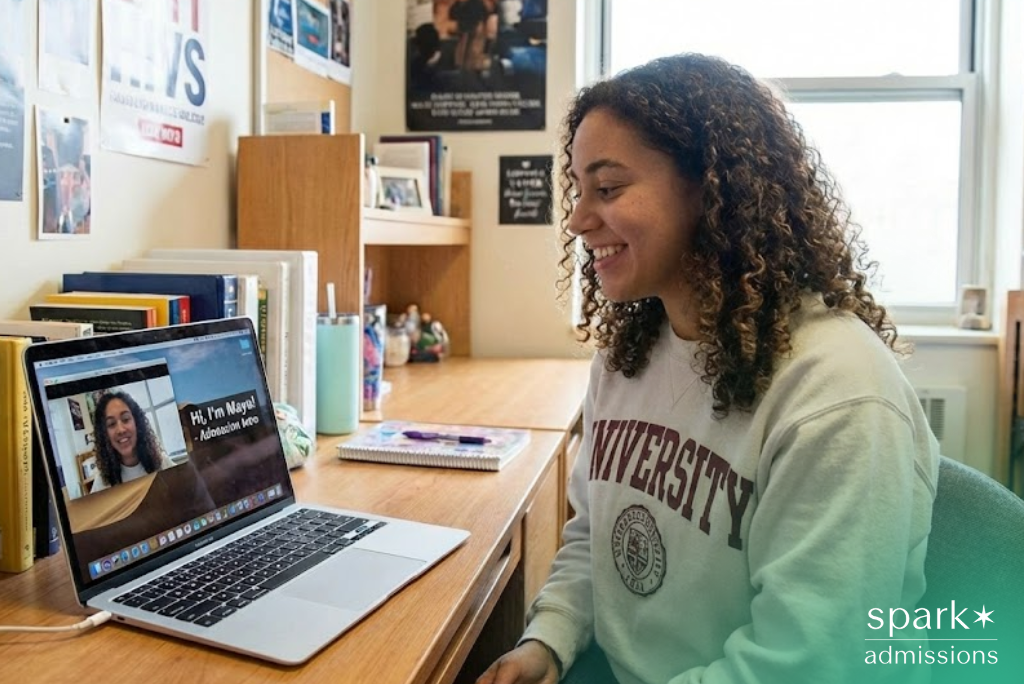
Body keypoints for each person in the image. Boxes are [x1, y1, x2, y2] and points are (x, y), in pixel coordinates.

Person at [477, 53, 939, 684]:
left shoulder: (840, 395)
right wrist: (549, 640)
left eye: (607, 189)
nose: (580, 221)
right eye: (580, 192)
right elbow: (595, 538)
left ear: (714, 188)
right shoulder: (630, 352)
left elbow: (805, 663)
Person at [90, 390, 171, 493]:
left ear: (137, 423)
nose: (121, 430)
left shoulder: (162, 463)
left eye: (126, 419)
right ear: (105, 434)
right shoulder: (102, 483)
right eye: (111, 424)